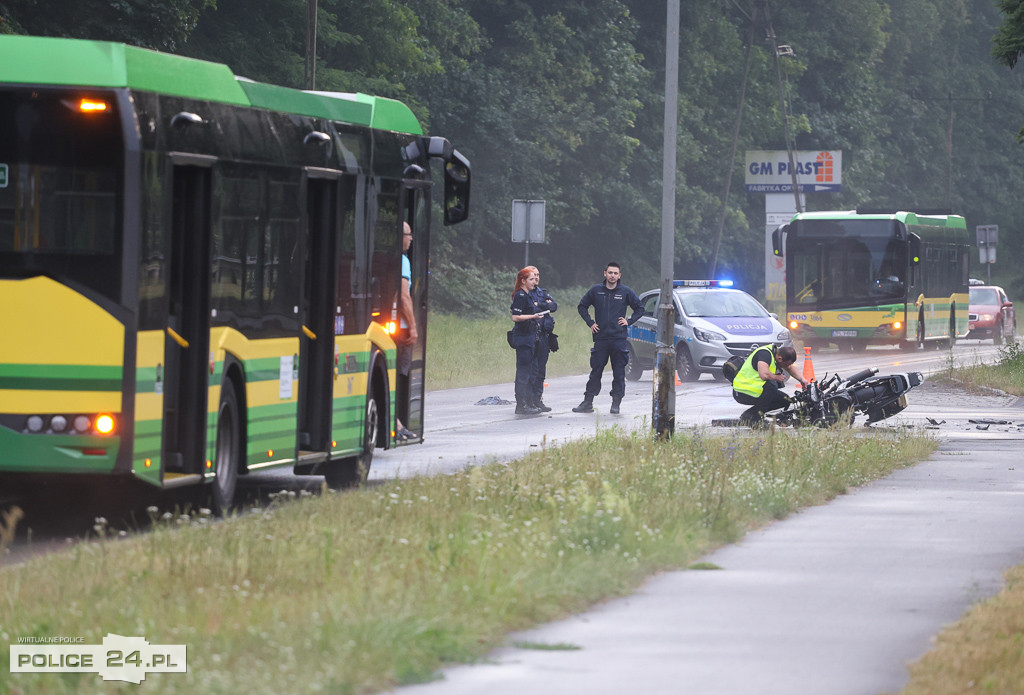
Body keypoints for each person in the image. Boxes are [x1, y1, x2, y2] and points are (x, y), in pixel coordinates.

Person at [572, 262, 644, 414]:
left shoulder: (625, 292)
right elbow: (582, 306)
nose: (612, 276)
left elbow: (640, 308)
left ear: (619, 275)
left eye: (615, 273)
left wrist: (628, 321)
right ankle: (587, 402)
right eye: (610, 272)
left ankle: (616, 403)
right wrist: (590, 323)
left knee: (619, 372)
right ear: (605, 273)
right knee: (596, 371)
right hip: (601, 338)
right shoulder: (596, 291)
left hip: (619, 339)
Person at [731, 344, 808, 428]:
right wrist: (777, 377)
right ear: (779, 359)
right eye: (785, 364)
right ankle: (756, 420)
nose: (786, 367)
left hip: (756, 390)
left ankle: (749, 415)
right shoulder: (765, 355)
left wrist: (802, 380)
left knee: (785, 400)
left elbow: (790, 368)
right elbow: (764, 375)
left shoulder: (778, 353)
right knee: (771, 387)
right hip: (743, 391)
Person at [510, 266, 544, 416]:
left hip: (530, 338)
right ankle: (521, 404)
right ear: (523, 281)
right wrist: (533, 317)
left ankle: (528, 402)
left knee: (530, 371)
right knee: (523, 373)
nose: (534, 282)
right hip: (523, 338)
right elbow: (515, 317)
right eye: (531, 279)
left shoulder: (528, 295)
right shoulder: (521, 295)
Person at [396, 222, 418, 441]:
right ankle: (396, 423)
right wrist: (412, 326)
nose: (411, 239)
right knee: (398, 375)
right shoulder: (402, 261)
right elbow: (404, 296)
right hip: (399, 331)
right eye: (408, 235)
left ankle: (397, 422)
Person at [528, 272, 558, 412]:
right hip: (531, 336)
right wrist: (543, 306)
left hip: (545, 337)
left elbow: (554, 306)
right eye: (533, 276)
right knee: (531, 370)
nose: (537, 278)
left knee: (541, 370)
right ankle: (528, 401)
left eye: (538, 275)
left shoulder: (542, 293)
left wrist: (540, 304)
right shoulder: (524, 293)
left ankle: (538, 399)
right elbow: (530, 309)